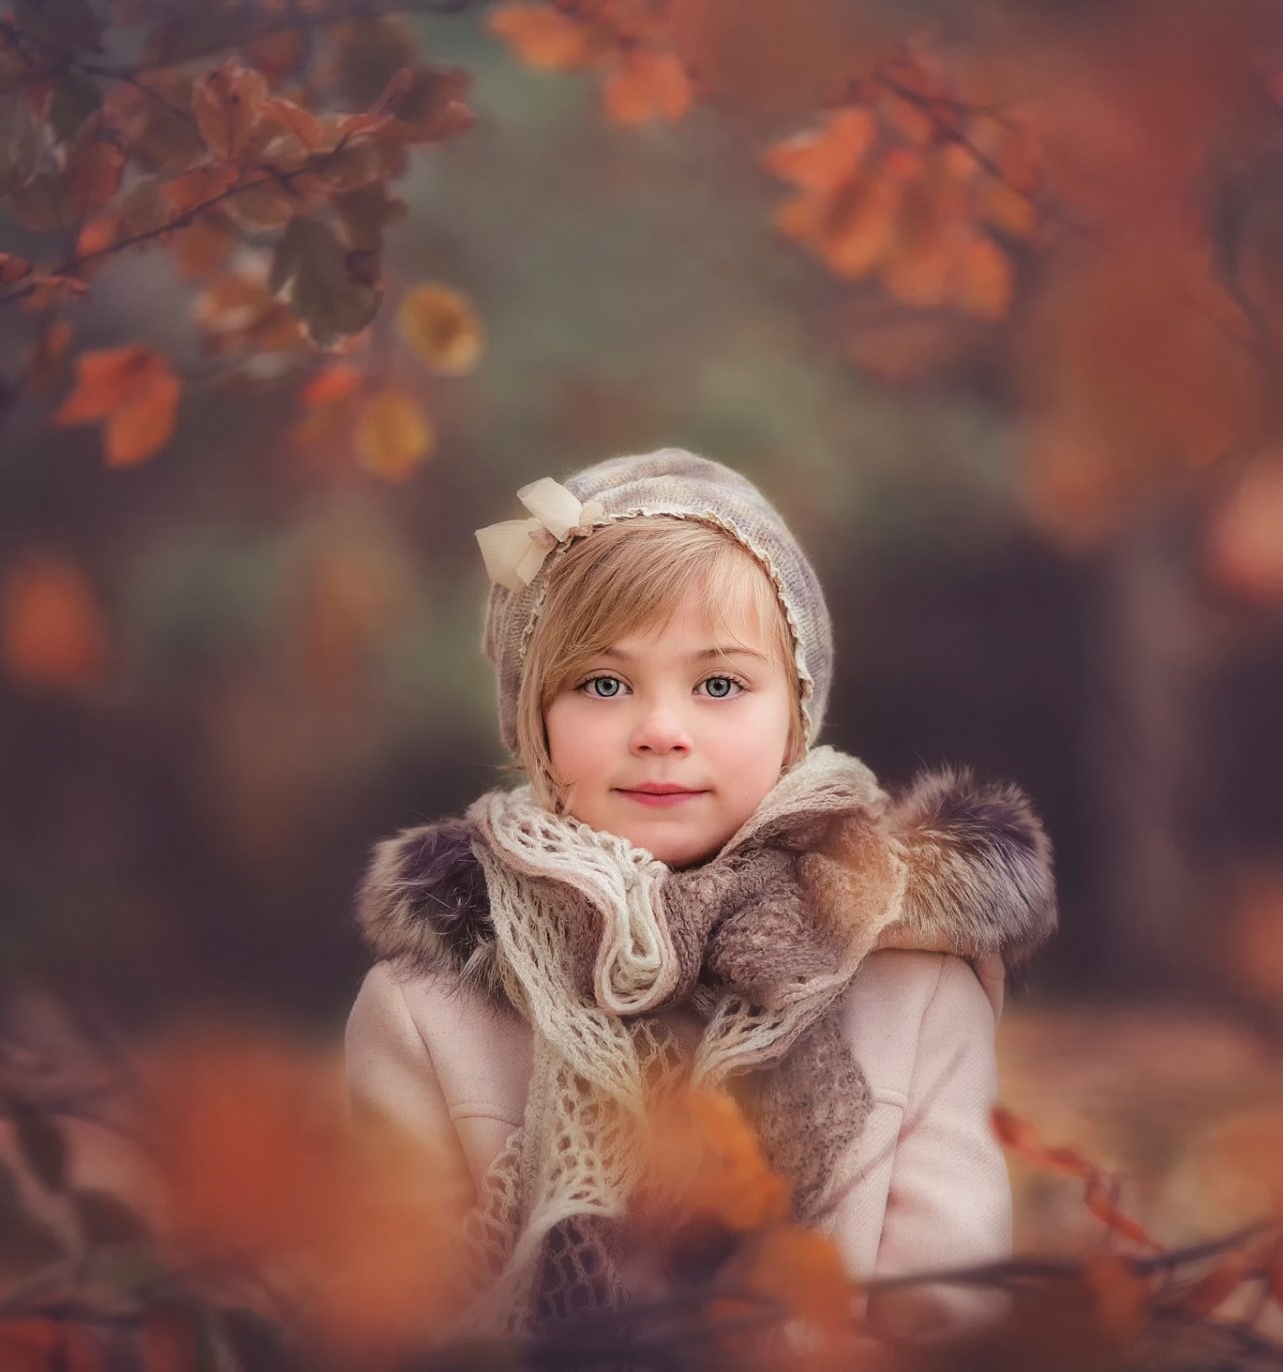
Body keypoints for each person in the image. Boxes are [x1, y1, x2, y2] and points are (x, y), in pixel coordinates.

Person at [343, 448, 1056, 1342]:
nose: (662, 731)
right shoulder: (423, 1016)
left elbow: (946, 1320)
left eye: (720, 684)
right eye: (604, 684)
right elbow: (389, 1326)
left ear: (796, 716)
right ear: (535, 720)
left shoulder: (913, 995)